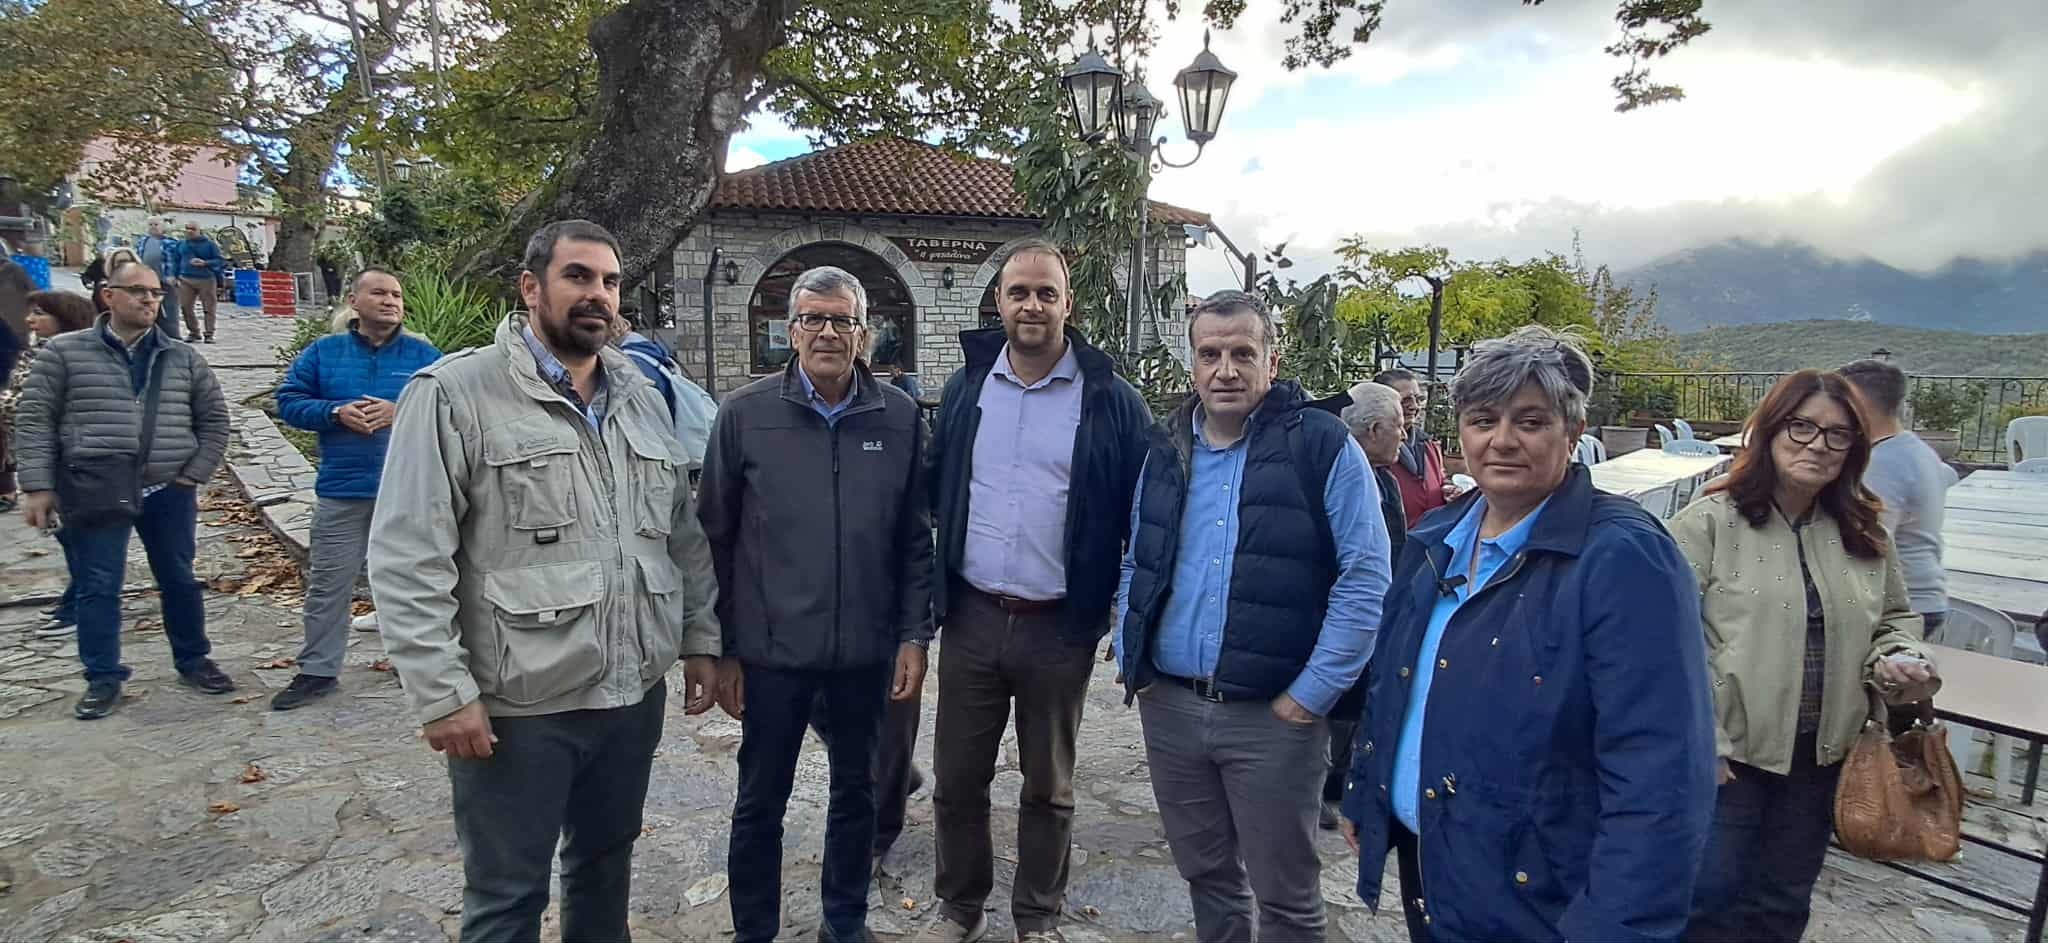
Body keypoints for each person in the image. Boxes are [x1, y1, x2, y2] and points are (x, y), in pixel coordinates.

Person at [366, 220, 722, 943]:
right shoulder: (454, 394)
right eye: (578, 276)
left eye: (610, 281)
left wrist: (700, 639)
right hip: (520, 707)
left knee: (605, 867)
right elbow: (408, 554)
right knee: (506, 898)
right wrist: (442, 691)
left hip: (630, 696)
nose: (599, 295)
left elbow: (680, 535)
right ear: (531, 287)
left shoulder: (641, 395)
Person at [1340, 325, 1717, 943]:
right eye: (1483, 420)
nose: (1503, 440)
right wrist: (1369, 790)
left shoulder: (1623, 558)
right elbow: (1397, 677)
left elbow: (1659, 771)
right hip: (1433, 861)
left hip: (1540, 894)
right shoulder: (1439, 536)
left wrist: (1615, 927)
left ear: (1573, 431)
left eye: (1532, 421)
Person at [1115, 290, 1392, 943]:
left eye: (1242, 353)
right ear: (1192, 364)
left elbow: (1366, 578)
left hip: (1273, 718)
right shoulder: (1166, 449)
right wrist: (1133, 652)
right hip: (1172, 708)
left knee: (1286, 898)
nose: (1226, 370)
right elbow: (1138, 558)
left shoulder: (1320, 445)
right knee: (1207, 876)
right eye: (1210, 354)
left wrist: (1310, 695)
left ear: (1273, 359)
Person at [919, 241, 1153, 943]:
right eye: (1018, 291)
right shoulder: (968, 387)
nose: (1031, 304)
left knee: (1048, 787)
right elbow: (936, 486)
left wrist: (1128, 609)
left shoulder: (1110, 399)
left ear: (1067, 303)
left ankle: (1037, 917)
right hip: (973, 616)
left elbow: (1147, 512)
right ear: (998, 301)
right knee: (957, 778)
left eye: (1046, 292)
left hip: (1059, 626)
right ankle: (960, 907)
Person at [696, 265, 934, 943]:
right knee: (759, 802)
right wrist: (723, 648)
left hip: (865, 651)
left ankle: (844, 920)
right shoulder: (745, 415)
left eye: (843, 320)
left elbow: (915, 537)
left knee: (857, 794)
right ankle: (755, 930)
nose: (828, 332)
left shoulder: (899, 416)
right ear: (791, 331)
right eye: (813, 319)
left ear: (865, 333)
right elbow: (714, 537)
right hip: (771, 653)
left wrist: (914, 635)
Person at [1671, 370, 1940, 943]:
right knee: (1705, 901)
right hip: (1729, 760)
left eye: (1838, 434)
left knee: (1782, 903)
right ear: (1770, 431)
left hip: (1821, 758)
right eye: (1802, 427)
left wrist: (1899, 656)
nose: (1818, 445)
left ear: (1854, 448)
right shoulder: (1710, 522)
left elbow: (1895, 617)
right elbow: (1665, 641)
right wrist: (1703, 743)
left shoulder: (1863, 528)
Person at [15, 259, 235, 719]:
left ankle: (194, 659)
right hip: (94, 485)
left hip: (168, 488)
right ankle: (102, 677)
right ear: (108, 296)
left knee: (179, 578)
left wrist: (193, 474)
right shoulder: (65, 353)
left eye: (155, 292)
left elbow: (215, 420)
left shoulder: (182, 357)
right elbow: (35, 421)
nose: (148, 300)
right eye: (137, 291)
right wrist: (37, 485)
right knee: (98, 584)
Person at [270, 268, 441, 711]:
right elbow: (288, 401)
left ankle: (417, 666)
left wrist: (400, 411)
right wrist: (336, 412)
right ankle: (317, 670)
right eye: (379, 293)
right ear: (354, 301)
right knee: (329, 583)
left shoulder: (425, 356)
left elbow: (453, 409)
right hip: (342, 489)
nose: (390, 301)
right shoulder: (324, 353)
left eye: (396, 295)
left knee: (412, 584)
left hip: (407, 491)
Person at [1319, 380, 1409, 830]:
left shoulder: (1386, 480)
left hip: (1382, 611)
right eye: (1399, 425)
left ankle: (1337, 778)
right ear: (1373, 430)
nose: (1405, 434)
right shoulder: (1335, 476)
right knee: (1334, 697)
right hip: (1337, 610)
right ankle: (1316, 783)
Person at [1, 290, 96, 549]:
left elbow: (28, 405)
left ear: (64, 318)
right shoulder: (35, 350)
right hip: (39, 457)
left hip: (66, 461)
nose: (29, 319)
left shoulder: (69, 356)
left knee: (81, 540)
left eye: (39, 314)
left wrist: (5, 403)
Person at [1373, 367, 1463, 528]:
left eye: (1418, 399)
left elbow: (1440, 480)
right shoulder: (1372, 449)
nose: (1414, 406)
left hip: (1430, 536)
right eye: (1405, 400)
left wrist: (1448, 490)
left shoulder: (1428, 444)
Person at [174, 222, 225, 343]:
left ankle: (209, 333)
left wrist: (205, 263)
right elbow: (176, 260)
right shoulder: (181, 244)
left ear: (199, 230)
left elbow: (220, 261)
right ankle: (194, 332)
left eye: (193, 229)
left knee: (208, 308)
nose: (189, 231)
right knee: (185, 306)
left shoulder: (210, 245)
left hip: (206, 279)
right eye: (187, 228)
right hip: (185, 279)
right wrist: (174, 275)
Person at [136, 220, 183, 337]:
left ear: (162, 227)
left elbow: (177, 261)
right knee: (148, 307)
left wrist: (174, 276)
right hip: (146, 281)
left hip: (165, 281)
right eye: (150, 224)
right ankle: (150, 334)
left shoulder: (170, 242)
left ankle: (172, 335)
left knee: (169, 309)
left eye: (156, 224)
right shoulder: (143, 241)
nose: (153, 227)